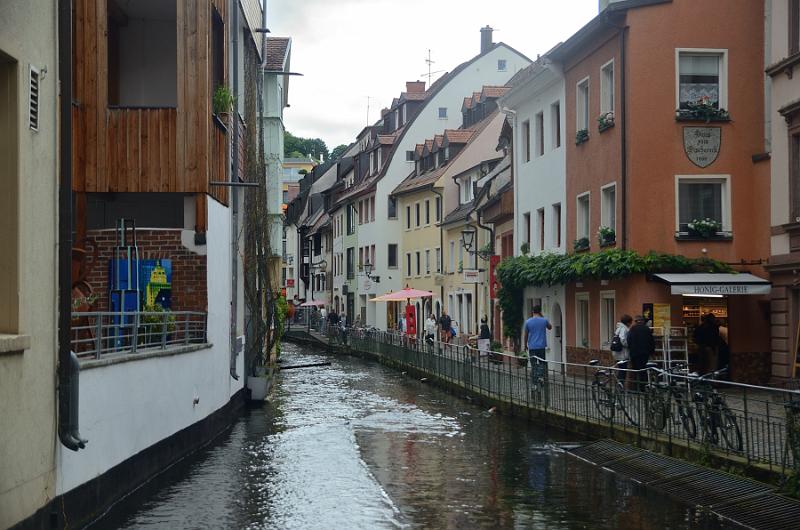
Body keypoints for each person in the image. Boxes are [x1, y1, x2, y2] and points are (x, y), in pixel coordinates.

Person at [626, 315, 655, 391]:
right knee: (643, 370)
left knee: (635, 371)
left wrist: (631, 349)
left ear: (636, 321)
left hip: (634, 353)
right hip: (645, 354)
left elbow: (628, 340)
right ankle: (643, 388)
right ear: (643, 321)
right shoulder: (647, 329)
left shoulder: (633, 329)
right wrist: (652, 352)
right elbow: (651, 342)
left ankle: (636, 388)